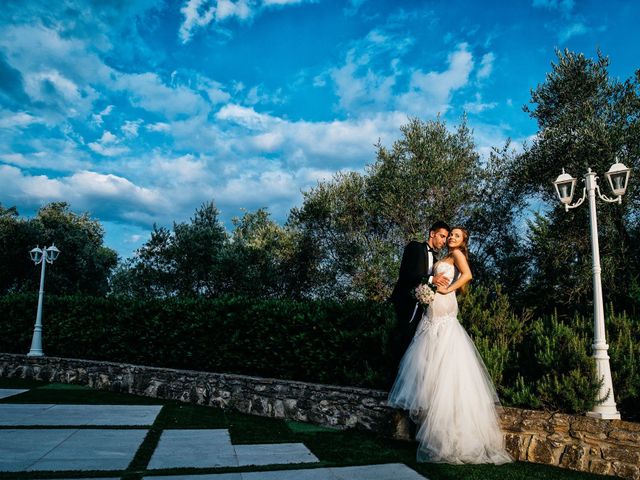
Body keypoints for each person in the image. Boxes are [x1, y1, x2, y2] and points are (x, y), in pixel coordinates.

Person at [387, 227, 512, 465]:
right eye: (449, 235)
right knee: (431, 371)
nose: (451, 238)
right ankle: (434, 434)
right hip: (431, 313)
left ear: (463, 240)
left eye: (456, 235)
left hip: (444, 312)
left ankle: (454, 439)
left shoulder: (457, 255)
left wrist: (446, 289)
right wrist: (430, 288)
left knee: (446, 370)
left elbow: (467, 276)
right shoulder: (441, 257)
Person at [389, 221, 451, 370]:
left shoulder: (436, 261)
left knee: (414, 350)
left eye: (445, 238)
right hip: (404, 306)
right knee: (398, 346)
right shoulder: (414, 247)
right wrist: (431, 279)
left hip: (422, 312)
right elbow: (405, 274)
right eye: (442, 236)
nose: (444, 241)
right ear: (432, 233)